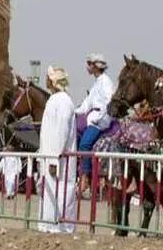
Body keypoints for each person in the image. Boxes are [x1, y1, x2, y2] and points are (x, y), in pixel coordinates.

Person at [37, 66, 77, 234]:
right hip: (50, 157)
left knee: (60, 193)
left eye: (48, 77)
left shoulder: (62, 102)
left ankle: (59, 228)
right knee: (50, 193)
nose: (45, 80)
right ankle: (48, 225)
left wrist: (54, 159)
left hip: (59, 161)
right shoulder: (55, 100)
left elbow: (61, 132)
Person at [75, 53, 115, 194]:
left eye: (90, 64)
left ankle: (84, 176)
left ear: (96, 66)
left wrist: (100, 117)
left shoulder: (106, 81)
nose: (87, 66)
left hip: (100, 118)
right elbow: (86, 105)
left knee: (84, 144)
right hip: (92, 116)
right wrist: (73, 112)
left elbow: (110, 102)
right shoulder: (96, 82)